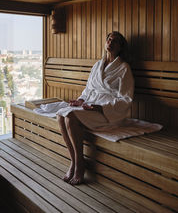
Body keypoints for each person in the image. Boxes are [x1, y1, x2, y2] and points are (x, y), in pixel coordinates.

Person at [56, 31, 134, 185]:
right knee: (60, 115)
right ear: (105, 43)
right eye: (109, 39)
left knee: (70, 116)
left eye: (115, 41)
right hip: (90, 105)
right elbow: (88, 90)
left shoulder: (124, 68)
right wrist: (80, 100)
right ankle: (74, 160)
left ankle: (79, 165)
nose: (111, 43)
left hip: (108, 112)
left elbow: (126, 99)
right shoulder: (97, 65)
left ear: (121, 47)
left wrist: (101, 108)